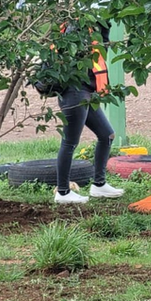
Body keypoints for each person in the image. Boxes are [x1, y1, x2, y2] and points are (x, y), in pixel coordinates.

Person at [54, 25, 123, 204]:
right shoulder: (75, 28)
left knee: (106, 135)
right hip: (74, 92)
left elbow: (102, 49)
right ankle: (62, 192)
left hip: (87, 91)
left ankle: (99, 185)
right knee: (69, 142)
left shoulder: (95, 28)